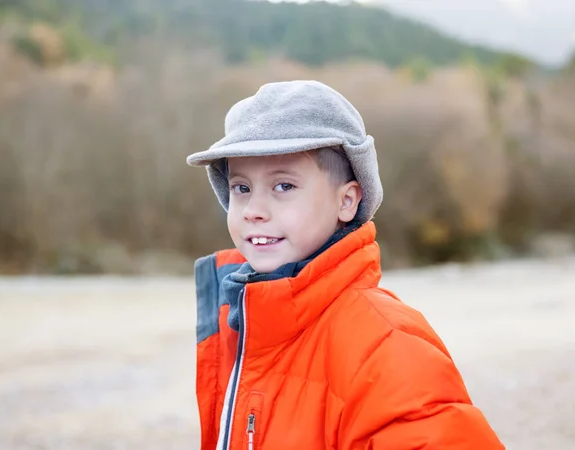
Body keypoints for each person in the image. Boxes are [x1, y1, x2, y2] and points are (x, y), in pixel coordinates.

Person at [186, 80, 504, 450]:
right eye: (242, 188)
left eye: (283, 186)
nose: (254, 210)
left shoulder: (385, 345)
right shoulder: (247, 324)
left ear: (347, 201)